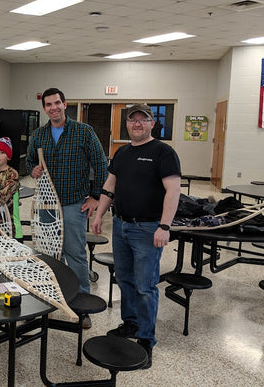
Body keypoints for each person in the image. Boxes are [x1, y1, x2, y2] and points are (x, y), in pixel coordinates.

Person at [91, 103, 181, 369]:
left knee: (145, 286)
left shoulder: (164, 153)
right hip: (120, 226)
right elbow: (110, 186)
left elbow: (173, 191)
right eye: (133, 120)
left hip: (147, 229)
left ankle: (145, 340)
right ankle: (130, 323)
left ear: (152, 123)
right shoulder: (122, 152)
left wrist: (164, 226)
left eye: (143, 120)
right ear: (127, 124)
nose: (138, 124)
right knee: (126, 280)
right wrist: (99, 215)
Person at [26, 88, 108, 328]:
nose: (53, 107)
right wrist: (33, 170)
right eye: (49, 104)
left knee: (75, 254)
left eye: (57, 103)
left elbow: (101, 164)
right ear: (44, 108)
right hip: (47, 204)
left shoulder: (84, 132)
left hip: (73, 203)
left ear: (65, 104)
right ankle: (50, 299)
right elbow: (30, 161)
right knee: (49, 253)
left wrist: (95, 197)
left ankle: (81, 304)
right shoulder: (38, 135)